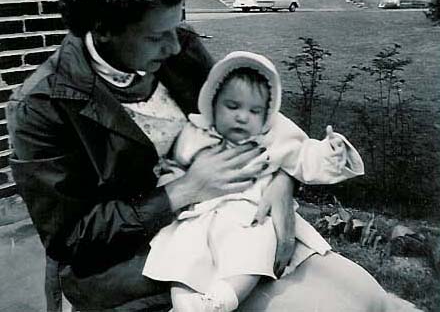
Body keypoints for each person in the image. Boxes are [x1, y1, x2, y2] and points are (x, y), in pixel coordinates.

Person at [6, 0, 394, 312]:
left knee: (365, 294)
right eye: (157, 36)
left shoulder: (182, 51)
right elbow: (72, 239)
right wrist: (187, 189)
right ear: (103, 30)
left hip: (232, 216)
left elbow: (251, 124)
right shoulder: (43, 105)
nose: (174, 46)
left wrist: (281, 182)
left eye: (175, 28)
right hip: (130, 258)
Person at [142, 51, 365, 312]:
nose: (242, 117)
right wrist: (173, 182)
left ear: (266, 114)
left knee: (254, 251)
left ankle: (221, 301)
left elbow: (305, 158)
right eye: (232, 106)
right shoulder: (196, 132)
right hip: (199, 216)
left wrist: (332, 152)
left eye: (254, 110)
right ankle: (184, 307)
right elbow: (175, 167)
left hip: (251, 215)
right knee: (182, 257)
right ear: (212, 102)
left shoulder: (274, 137)